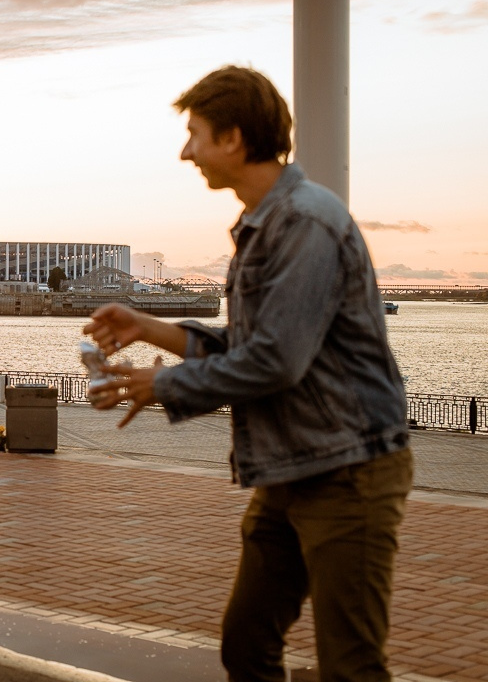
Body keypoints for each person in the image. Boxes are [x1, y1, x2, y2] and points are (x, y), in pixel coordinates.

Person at [84, 66, 412, 682]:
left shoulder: (304, 223)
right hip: (291, 469)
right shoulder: (266, 223)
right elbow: (257, 343)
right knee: (247, 645)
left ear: (233, 139)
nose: (187, 153)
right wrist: (148, 327)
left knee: (351, 667)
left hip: (348, 472)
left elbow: (275, 361)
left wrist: (162, 385)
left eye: (195, 135)